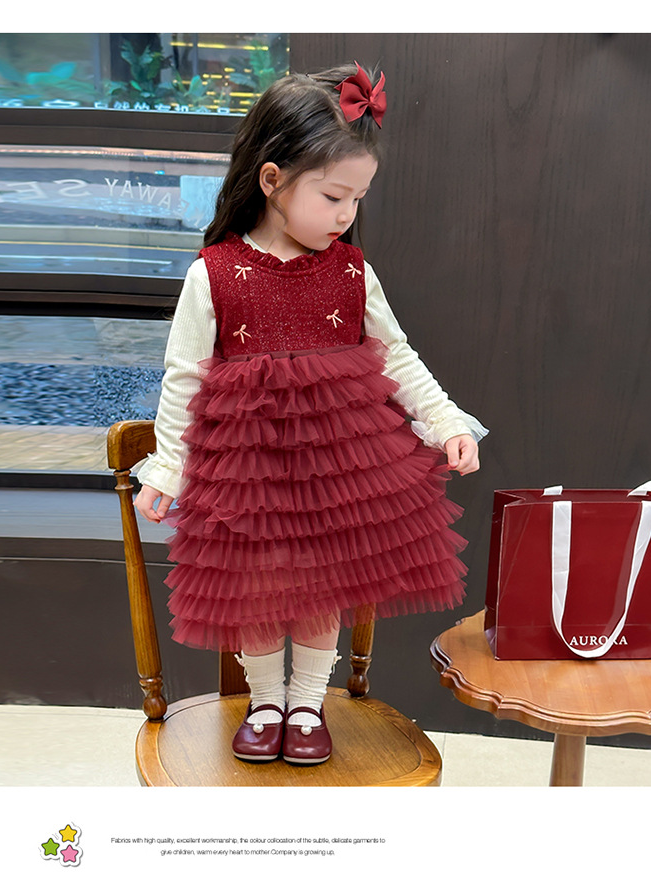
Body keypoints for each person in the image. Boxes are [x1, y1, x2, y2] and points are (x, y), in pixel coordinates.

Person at [134, 62, 488, 766]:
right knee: (260, 593)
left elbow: (396, 355)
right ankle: (266, 700)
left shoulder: (351, 272)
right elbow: (184, 376)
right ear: (272, 180)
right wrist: (169, 466)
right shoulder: (215, 273)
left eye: (357, 198)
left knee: (321, 591)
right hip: (249, 478)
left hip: (334, 475)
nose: (346, 214)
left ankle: (306, 702)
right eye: (333, 196)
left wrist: (446, 418)